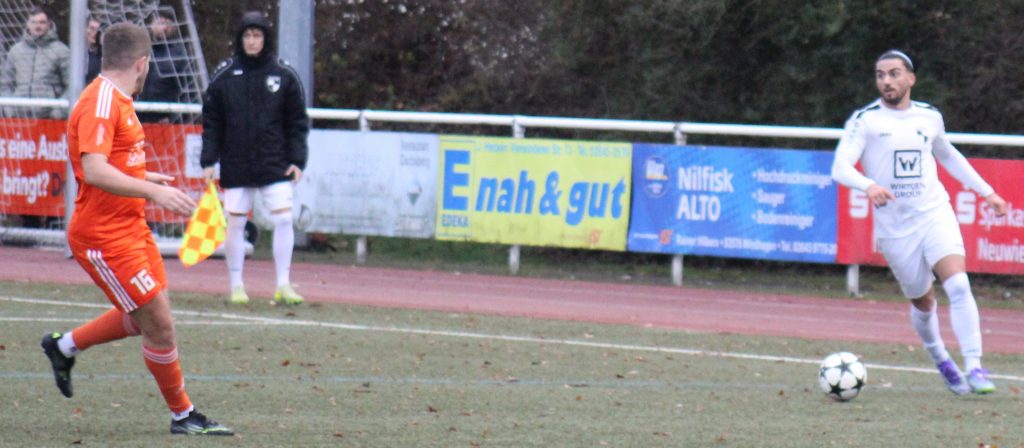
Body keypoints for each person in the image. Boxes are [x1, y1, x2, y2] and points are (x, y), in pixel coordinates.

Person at [40, 22, 233, 436]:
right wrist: (153, 191)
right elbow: (94, 170)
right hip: (103, 237)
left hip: (130, 227)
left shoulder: (119, 99)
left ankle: (63, 346)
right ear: (142, 63)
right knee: (159, 324)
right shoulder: (101, 102)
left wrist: (146, 181)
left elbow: (112, 163)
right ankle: (183, 415)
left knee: (149, 315)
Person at [831, 49, 1009, 395]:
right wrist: (868, 185)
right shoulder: (865, 121)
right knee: (924, 303)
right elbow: (840, 167)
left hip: (934, 213)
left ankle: (974, 366)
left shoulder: (929, 117)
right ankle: (941, 358)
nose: (887, 81)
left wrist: (987, 192)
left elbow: (949, 155)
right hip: (896, 229)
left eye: (894, 73)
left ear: (911, 78)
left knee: (959, 285)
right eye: (881, 75)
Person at [201, 11, 309, 305]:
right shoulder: (225, 74)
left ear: (265, 38)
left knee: (284, 218)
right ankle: (237, 286)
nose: (252, 41)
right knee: (235, 223)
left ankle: (283, 284)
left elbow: (297, 122)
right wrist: (209, 160)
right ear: (240, 39)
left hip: (275, 161)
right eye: (247, 35)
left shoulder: (284, 74)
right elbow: (212, 121)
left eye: (257, 35)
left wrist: (297, 160)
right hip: (236, 161)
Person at [0, 7, 70, 119]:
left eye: (42, 22)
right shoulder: (15, 51)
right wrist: (9, 110)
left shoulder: (62, 51)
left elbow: (71, 86)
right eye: (33, 22)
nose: (37, 26)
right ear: (28, 24)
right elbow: (5, 84)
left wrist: (58, 113)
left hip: (49, 119)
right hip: (19, 117)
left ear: (49, 24)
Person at [138, 10, 190, 123]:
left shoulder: (180, 55)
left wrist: (173, 117)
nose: (165, 28)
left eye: (168, 24)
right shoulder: (137, 50)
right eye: (160, 23)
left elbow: (188, 91)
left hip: (163, 121)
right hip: (133, 117)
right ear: (151, 25)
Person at [85, 16, 102, 84]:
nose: (95, 33)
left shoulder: (101, 55)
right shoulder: (75, 54)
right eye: (92, 29)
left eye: (98, 31)